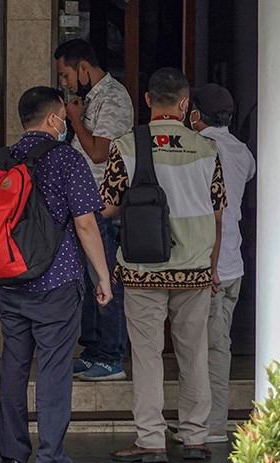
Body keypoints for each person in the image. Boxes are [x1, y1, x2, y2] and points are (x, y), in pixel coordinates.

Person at [102, 68, 227, 462]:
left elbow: (107, 205)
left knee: (147, 355)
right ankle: (194, 437)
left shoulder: (127, 145)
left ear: (147, 100)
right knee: (194, 355)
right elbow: (218, 215)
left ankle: (151, 439)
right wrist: (212, 267)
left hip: (143, 269)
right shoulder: (207, 150)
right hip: (194, 268)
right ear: (185, 103)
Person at [0, 86, 111, 463]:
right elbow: (86, 224)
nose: (66, 123)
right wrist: (103, 276)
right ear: (52, 119)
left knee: (13, 368)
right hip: (56, 282)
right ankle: (50, 454)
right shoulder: (67, 160)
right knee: (53, 370)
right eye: (64, 115)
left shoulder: (2, 160)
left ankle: (12, 451)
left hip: (11, 281)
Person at [54, 38, 134, 381]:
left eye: (67, 74)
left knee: (107, 280)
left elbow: (100, 153)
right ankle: (93, 349)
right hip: (85, 205)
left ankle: (112, 354)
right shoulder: (89, 99)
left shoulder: (113, 97)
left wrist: (74, 120)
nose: (65, 82)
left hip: (104, 205)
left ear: (84, 67)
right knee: (89, 283)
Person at [189, 83, 256, 443]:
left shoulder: (202, 149)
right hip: (233, 261)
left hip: (211, 264)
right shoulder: (242, 152)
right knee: (215, 344)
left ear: (197, 113)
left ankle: (212, 425)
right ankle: (200, 421)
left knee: (210, 348)